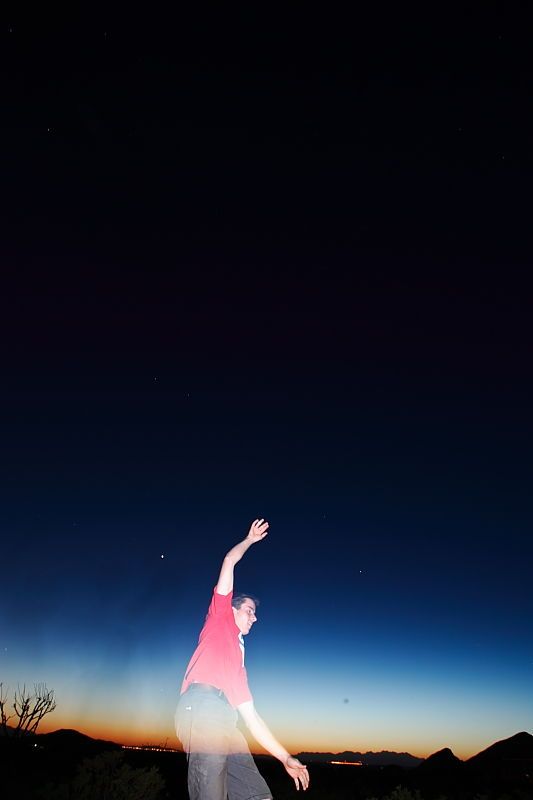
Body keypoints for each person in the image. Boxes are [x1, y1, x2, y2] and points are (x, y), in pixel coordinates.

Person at [175, 518, 310, 799]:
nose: (255, 617)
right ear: (233, 610)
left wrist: (285, 758)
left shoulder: (238, 666)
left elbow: (253, 719)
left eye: (254, 613)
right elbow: (229, 560)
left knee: (256, 794)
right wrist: (249, 540)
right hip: (201, 706)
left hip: (226, 717)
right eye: (249, 610)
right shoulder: (219, 617)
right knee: (211, 791)